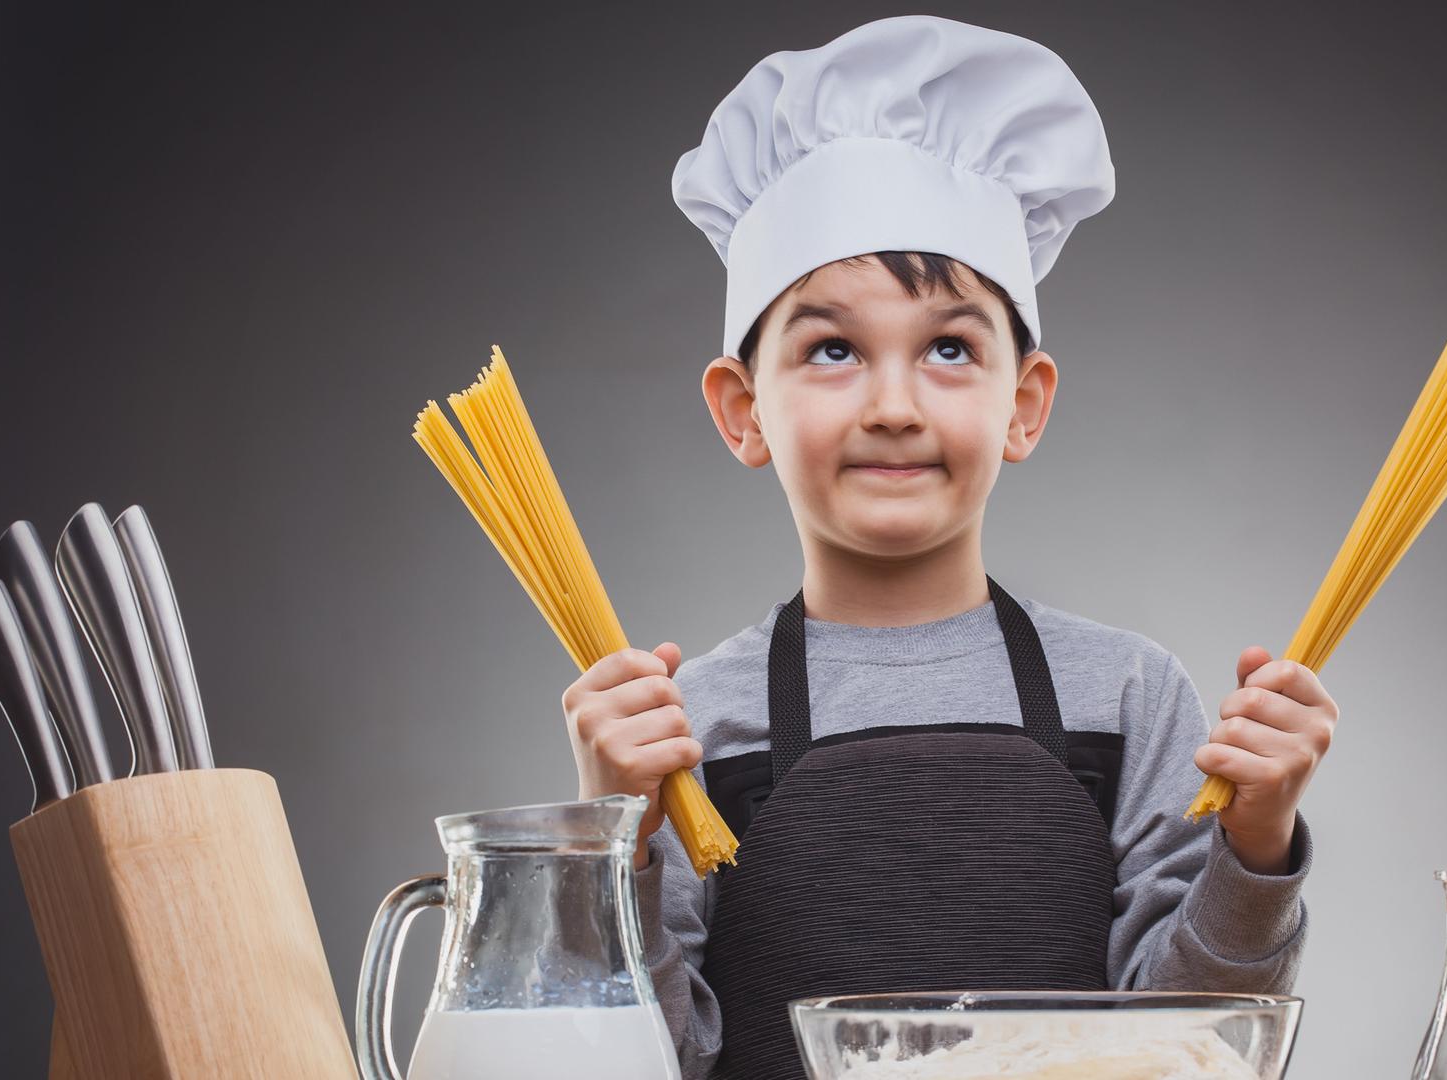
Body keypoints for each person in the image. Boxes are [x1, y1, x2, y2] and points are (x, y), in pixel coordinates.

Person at [562, 15, 1340, 1080]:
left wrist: (1257, 843)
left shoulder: (1130, 697)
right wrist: (611, 843)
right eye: (833, 349)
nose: (893, 404)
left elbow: (1190, 1053)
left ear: (1024, 404)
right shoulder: (683, 728)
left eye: (949, 349)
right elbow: (657, 1064)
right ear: (744, 410)